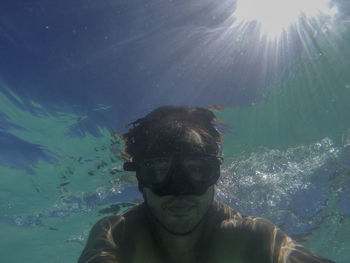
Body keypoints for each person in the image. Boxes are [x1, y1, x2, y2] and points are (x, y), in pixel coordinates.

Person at [78, 106, 334, 263]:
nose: (179, 189)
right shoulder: (117, 234)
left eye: (197, 170)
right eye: (159, 171)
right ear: (140, 180)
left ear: (215, 174)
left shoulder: (250, 236)